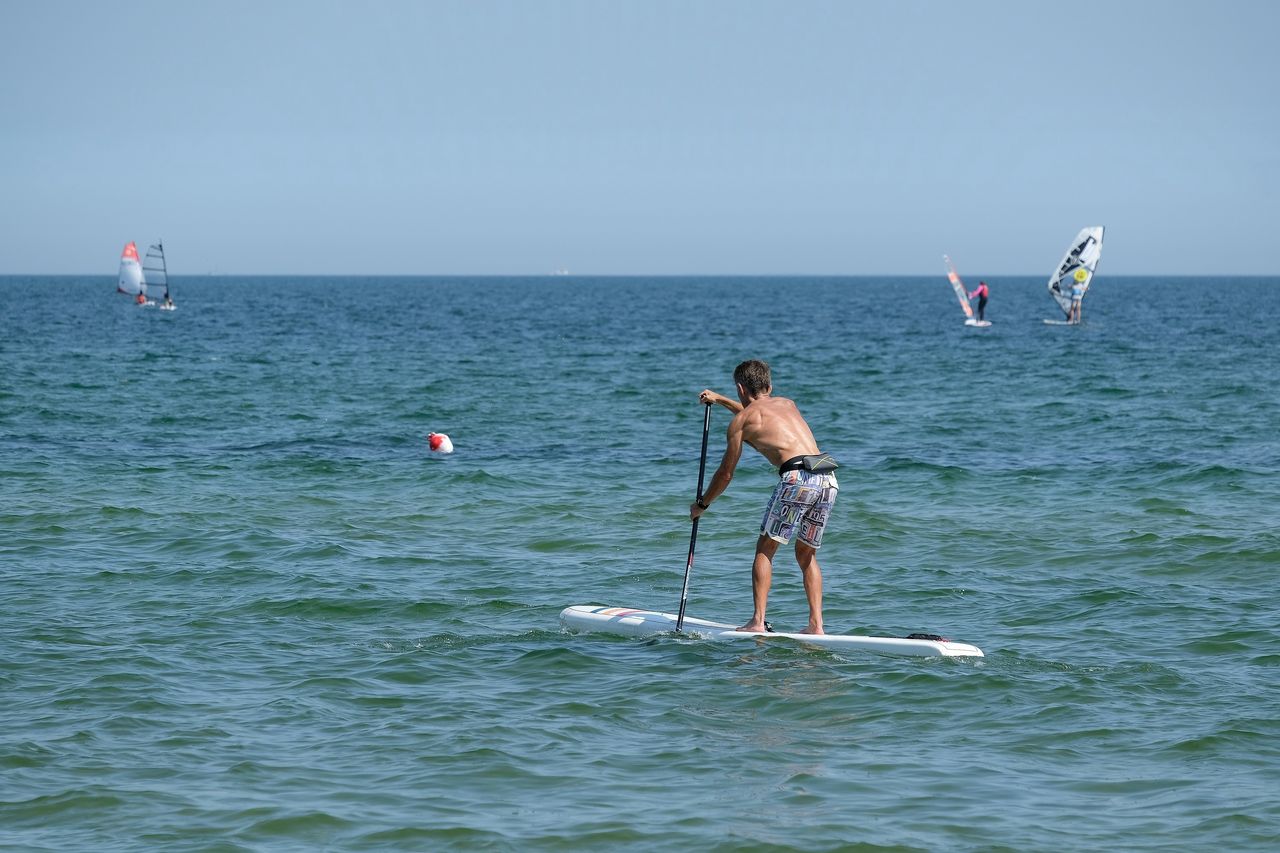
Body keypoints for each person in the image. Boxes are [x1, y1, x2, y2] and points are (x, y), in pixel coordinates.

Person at [690, 360, 839, 634]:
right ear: (769, 386)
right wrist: (721, 399)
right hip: (827, 476)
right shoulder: (787, 404)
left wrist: (702, 504)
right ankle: (816, 626)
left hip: (797, 478)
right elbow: (760, 418)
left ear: (740, 388)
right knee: (806, 554)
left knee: (765, 550)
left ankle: (758, 621)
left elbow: (725, 474)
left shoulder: (741, 422)